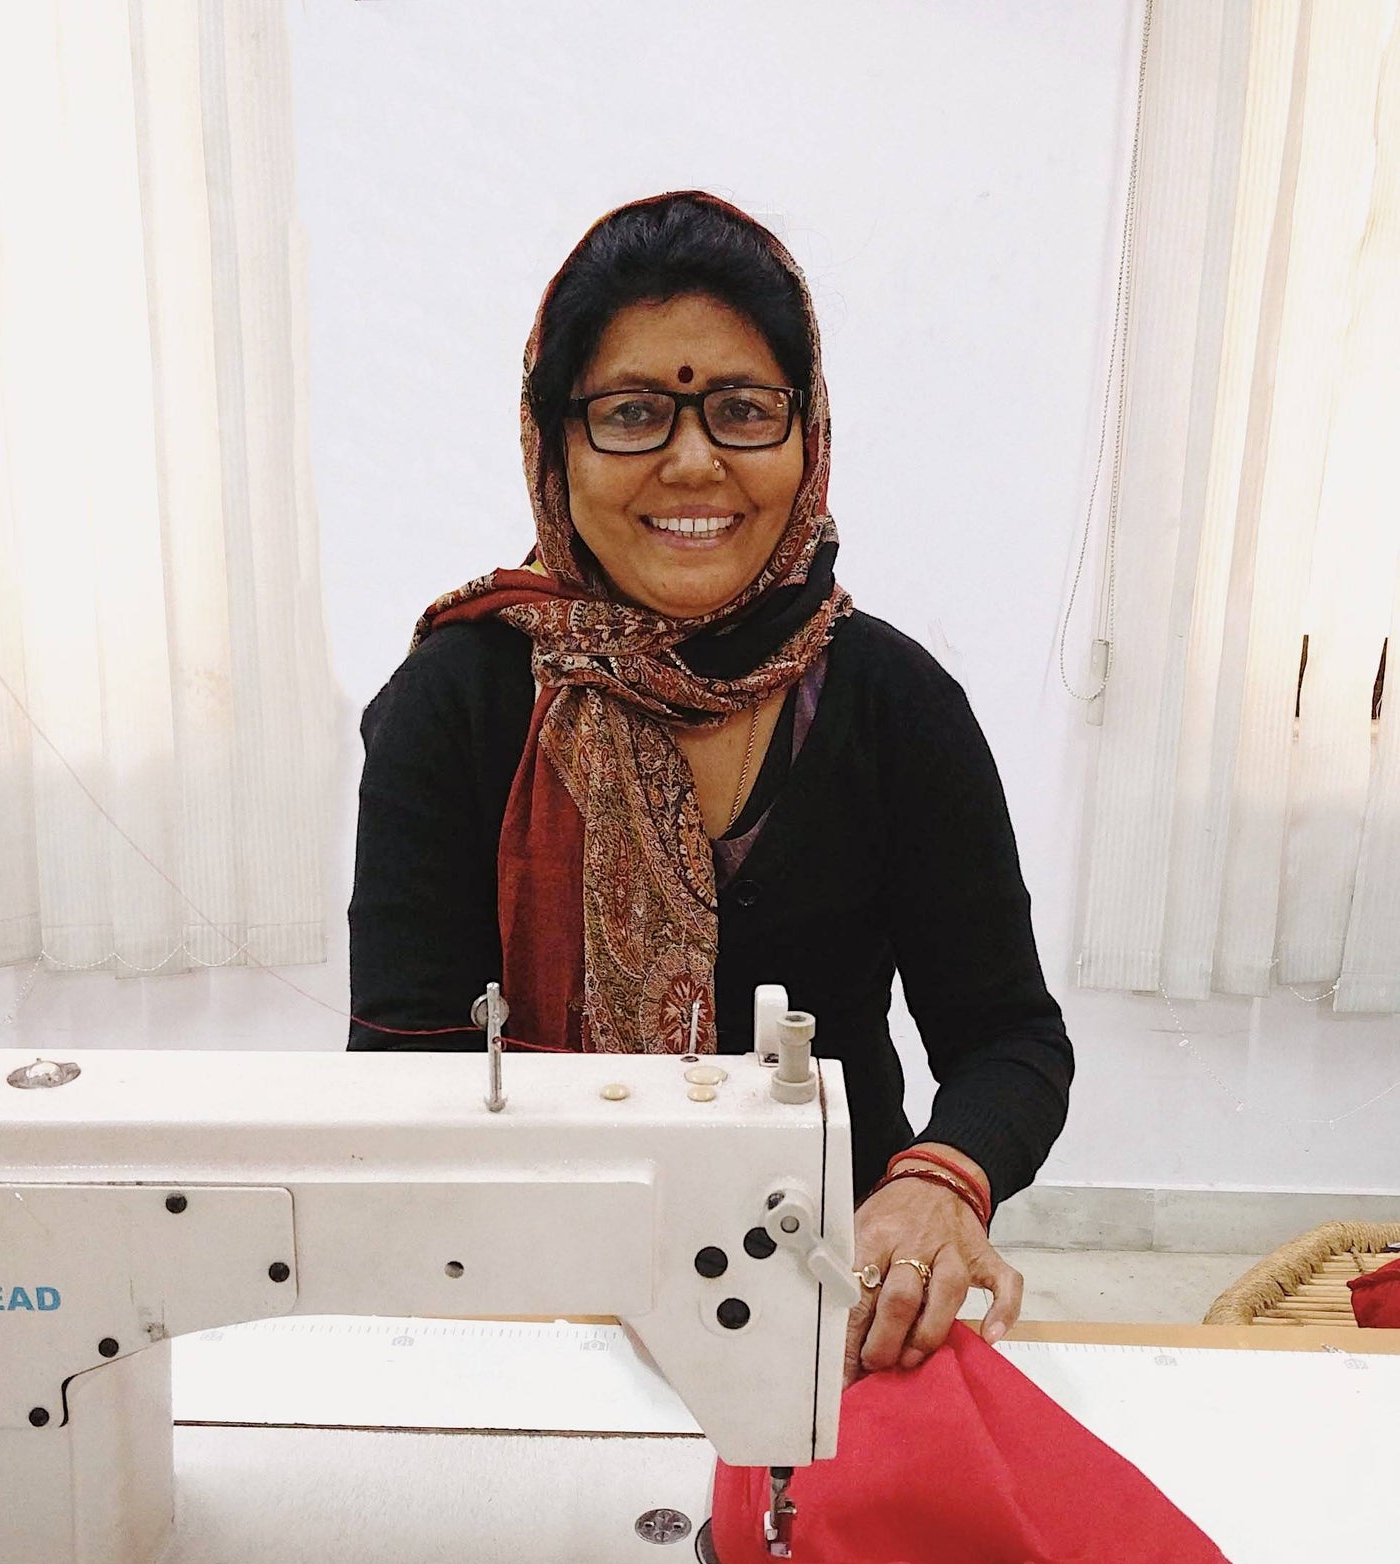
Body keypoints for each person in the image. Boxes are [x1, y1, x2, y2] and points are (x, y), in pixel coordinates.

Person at [347, 190, 1073, 1386]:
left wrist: (939, 1185)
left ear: (806, 434)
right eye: (631, 412)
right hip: (532, 1287)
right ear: (554, 441)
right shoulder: (460, 703)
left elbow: (1006, 1038)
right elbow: (405, 1064)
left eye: (742, 409)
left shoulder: (895, 705)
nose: (693, 461)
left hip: (836, 1290)